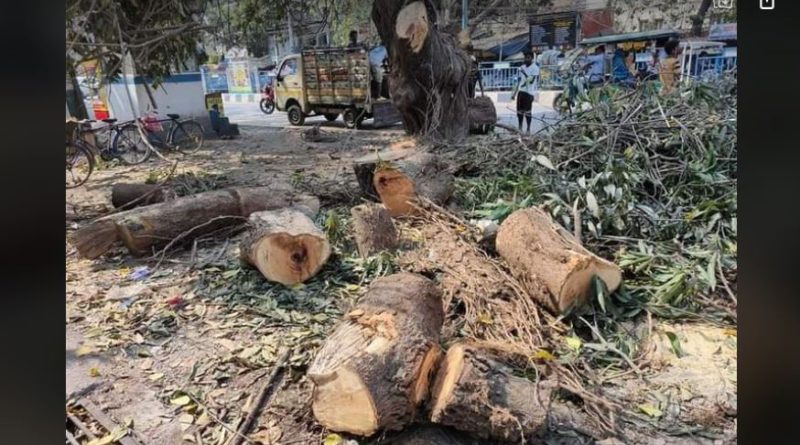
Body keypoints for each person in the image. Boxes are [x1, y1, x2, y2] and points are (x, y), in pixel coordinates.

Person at [510, 51, 539, 134]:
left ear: (532, 59)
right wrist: (514, 94)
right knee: (519, 112)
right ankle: (520, 127)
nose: (526, 59)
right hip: (521, 92)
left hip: (529, 93)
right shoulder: (522, 67)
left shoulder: (535, 68)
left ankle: (528, 129)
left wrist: (523, 72)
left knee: (528, 112)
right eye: (525, 57)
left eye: (528, 57)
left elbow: (531, 81)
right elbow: (519, 81)